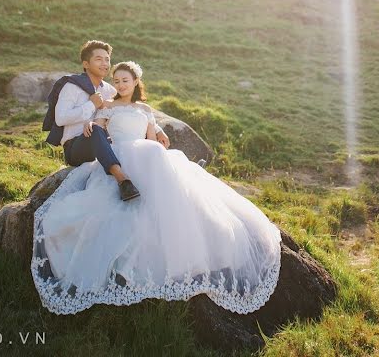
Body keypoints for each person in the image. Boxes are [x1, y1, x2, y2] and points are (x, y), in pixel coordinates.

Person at [32, 60, 281, 315]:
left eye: (125, 80)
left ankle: (160, 207)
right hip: (118, 154)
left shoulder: (145, 109)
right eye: (116, 81)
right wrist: (90, 124)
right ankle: (124, 183)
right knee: (137, 168)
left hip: (145, 153)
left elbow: (151, 137)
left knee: (155, 153)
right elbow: (99, 130)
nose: (120, 84)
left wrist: (159, 137)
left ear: (135, 82)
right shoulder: (108, 106)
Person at [51, 40, 170, 202]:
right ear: (86, 64)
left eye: (107, 59)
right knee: (97, 130)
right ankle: (122, 179)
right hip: (76, 146)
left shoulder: (108, 90)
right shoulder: (72, 87)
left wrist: (157, 129)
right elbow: (60, 118)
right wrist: (91, 104)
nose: (105, 63)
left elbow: (128, 108)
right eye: (99, 59)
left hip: (101, 146)